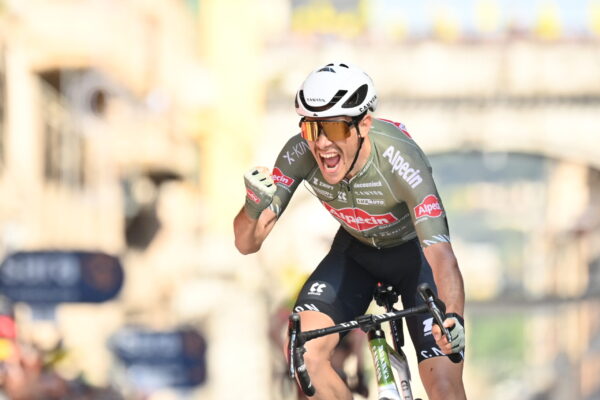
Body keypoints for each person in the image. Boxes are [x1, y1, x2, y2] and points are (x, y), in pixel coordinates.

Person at [234, 62, 466, 399]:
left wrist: (454, 317)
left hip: (413, 257)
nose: (322, 143)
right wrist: (252, 208)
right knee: (302, 352)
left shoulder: (400, 159)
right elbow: (246, 243)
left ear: (364, 124)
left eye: (335, 128)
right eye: (312, 129)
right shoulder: (299, 152)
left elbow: (443, 257)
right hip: (356, 253)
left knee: (443, 385)